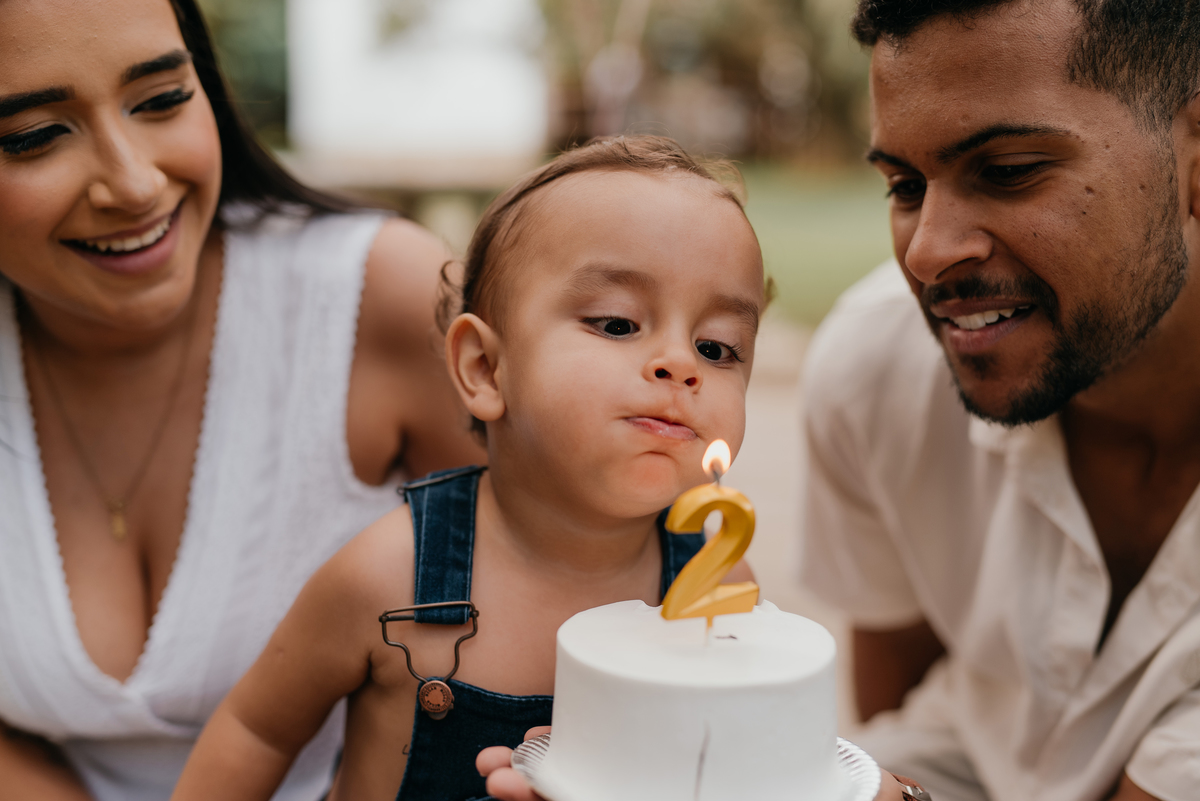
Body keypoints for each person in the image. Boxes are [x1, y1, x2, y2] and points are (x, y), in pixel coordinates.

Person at [169, 135, 765, 801]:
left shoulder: (715, 587)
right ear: (484, 367)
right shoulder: (390, 574)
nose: (680, 364)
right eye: (619, 324)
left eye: (718, 347)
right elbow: (258, 729)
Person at [0, 0, 484, 799]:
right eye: (31, 135)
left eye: (161, 100)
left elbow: (587, 597)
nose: (133, 182)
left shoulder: (382, 298)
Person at [799, 1, 1200, 800]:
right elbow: (896, 714)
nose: (927, 251)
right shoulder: (878, 366)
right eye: (905, 185)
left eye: (1008, 170)